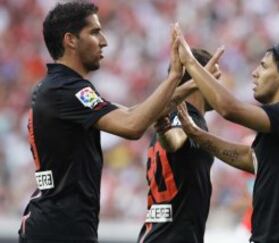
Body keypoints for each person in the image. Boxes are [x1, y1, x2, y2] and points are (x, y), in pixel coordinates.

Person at [18, 1, 187, 242]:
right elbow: (132, 125)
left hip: (55, 224)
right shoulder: (67, 89)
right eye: (95, 32)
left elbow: (133, 113)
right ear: (71, 40)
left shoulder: (58, 87)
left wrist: (190, 87)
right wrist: (174, 77)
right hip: (59, 229)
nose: (104, 41)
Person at [175, 25, 279, 243]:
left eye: (263, 67)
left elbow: (229, 109)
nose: (254, 73)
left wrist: (190, 64)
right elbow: (249, 158)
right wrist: (198, 135)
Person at [137, 48, 222, 243]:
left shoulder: (174, 119)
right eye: (214, 78)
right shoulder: (185, 119)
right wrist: (165, 132)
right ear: (200, 80)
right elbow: (174, 141)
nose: (218, 87)